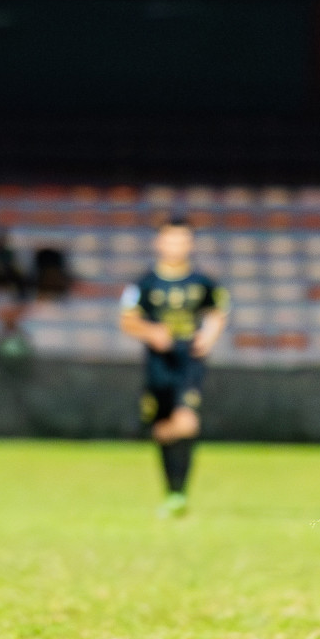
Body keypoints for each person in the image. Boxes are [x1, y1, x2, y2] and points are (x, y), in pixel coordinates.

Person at [119, 215, 228, 517]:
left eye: (182, 240)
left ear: (190, 244)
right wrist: (151, 332)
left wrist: (209, 336)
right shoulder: (145, 283)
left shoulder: (202, 282)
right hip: (158, 365)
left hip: (189, 362)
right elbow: (127, 320)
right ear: (159, 242)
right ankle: (174, 493)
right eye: (171, 239)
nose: (176, 245)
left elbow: (217, 312)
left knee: (187, 421)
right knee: (163, 428)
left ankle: (179, 494)